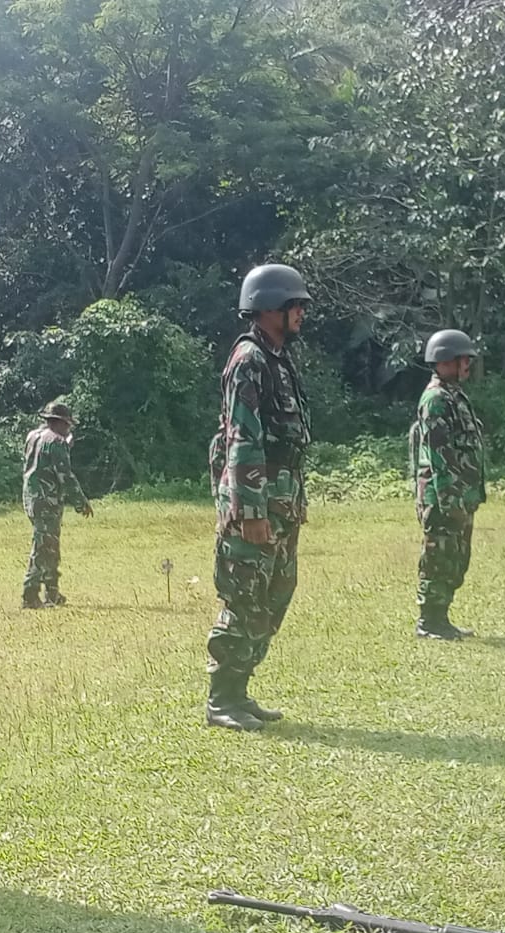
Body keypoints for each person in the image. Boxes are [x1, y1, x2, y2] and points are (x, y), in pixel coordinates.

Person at [205, 264, 313, 732]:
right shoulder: (248, 359)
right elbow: (242, 439)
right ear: (271, 309)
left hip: (280, 504)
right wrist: (249, 512)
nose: (302, 314)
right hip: (255, 506)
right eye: (296, 306)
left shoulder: (277, 359)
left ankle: (241, 691)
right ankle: (221, 698)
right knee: (245, 597)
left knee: (275, 595)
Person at [412, 329, 486, 638]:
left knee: (456, 557)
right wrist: (450, 499)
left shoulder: (454, 395)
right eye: (463, 358)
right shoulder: (437, 399)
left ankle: (442, 617)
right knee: (439, 556)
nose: (468, 364)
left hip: (459, 494)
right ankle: (430, 621)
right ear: (446, 360)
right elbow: (439, 455)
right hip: (443, 495)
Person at [22, 402, 93, 608]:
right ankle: (30, 593)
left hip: (31, 498)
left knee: (50, 544)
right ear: (61, 423)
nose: (69, 429)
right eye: (68, 425)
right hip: (47, 500)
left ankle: (52, 593)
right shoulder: (57, 442)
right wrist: (81, 502)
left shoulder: (32, 436)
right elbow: (66, 476)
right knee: (43, 547)